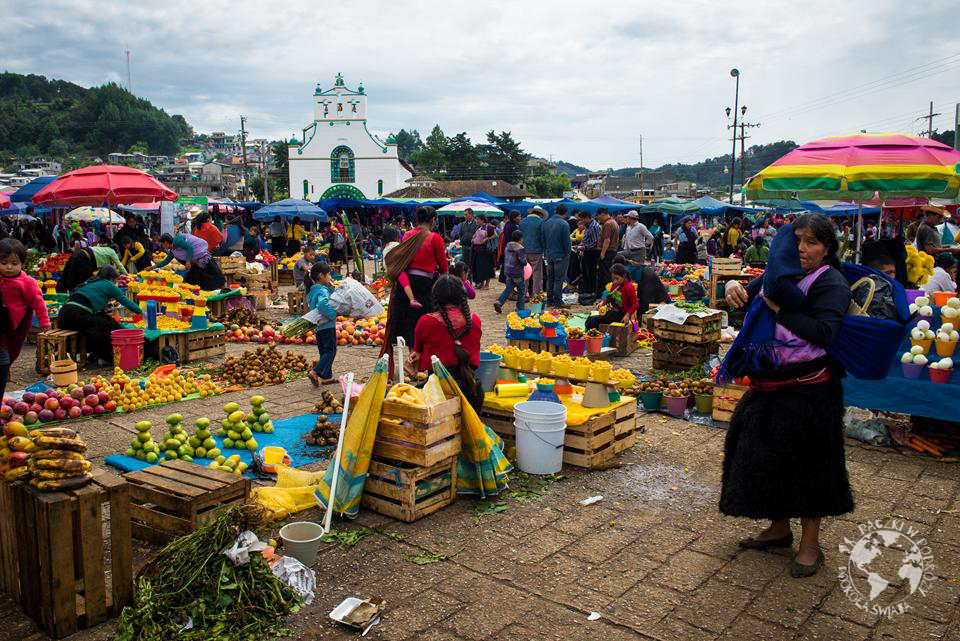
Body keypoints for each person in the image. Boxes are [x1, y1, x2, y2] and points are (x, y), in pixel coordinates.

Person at [721, 213, 853, 578]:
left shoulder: (831, 283)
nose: (803, 249)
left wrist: (782, 309)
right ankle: (779, 528)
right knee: (763, 458)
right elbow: (748, 297)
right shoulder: (780, 273)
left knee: (811, 468)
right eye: (796, 240)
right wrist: (734, 285)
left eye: (812, 242)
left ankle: (810, 546)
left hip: (809, 391)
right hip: (768, 386)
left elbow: (823, 332)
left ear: (827, 248)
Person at [381, 207, 448, 375]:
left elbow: (404, 258)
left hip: (406, 286)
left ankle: (413, 360)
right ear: (433, 221)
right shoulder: (435, 238)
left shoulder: (408, 235)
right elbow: (443, 266)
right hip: (425, 286)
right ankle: (414, 363)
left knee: (410, 323)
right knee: (426, 322)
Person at [410, 275, 484, 413]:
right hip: (473, 392)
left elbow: (417, 352)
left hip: (437, 395)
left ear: (435, 297)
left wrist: (414, 361)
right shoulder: (474, 321)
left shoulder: (426, 322)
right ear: (462, 296)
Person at [58, 266, 141, 364]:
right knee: (108, 327)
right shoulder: (108, 284)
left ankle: (95, 354)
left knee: (100, 322)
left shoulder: (90, 282)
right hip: (76, 315)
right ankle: (107, 357)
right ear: (111, 278)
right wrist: (142, 313)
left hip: (63, 316)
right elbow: (126, 302)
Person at [0, 239, 50, 398]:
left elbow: (38, 303)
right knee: (2, 360)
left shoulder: (27, 282)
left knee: (10, 355)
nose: (9, 267)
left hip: (14, 326)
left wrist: (44, 322)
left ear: (22, 263)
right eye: (4, 262)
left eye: (14, 263)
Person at [153, 233, 226, 290]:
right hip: (196, 263)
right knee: (192, 280)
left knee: (213, 275)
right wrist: (153, 267)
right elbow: (166, 261)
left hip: (203, 259)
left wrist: (188, 262)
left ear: (166, 242)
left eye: (162, 244)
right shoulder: (173, 250)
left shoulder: (177, 240)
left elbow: (190, 248)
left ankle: (220, 289)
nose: (162, 246)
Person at [305, 262, 338, 386]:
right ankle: (315, 372)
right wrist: (333, 314)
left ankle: (326, 377)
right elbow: (323, 304)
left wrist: (331, 287)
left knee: (324, 352)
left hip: (319, 327)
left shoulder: (314, 289)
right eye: (329, 274)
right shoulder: (322, 290)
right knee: (331, 351)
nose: (330, 276)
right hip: (327, 325)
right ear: (321, 275)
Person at [585, 264, 639, 331]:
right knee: (590, 318)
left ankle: (594, 338)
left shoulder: (629, 287)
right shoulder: (615, 284)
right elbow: (609, 297)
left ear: (624, 276)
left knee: (594, 320)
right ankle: (588, 336)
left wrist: (627, 315)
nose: (615, 281)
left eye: (617, 278)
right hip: (613, 311)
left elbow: (636, 304)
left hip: (621, 314)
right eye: (613, 279)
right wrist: (602, 303)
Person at [543, 204, 572, 308]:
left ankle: (549, 301)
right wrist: (568, 252)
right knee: (559, 279)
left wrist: (546, 253)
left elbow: (543, 241)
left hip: (549, 255)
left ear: (556, 211)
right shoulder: (564, 224)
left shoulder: (546, 223)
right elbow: (566, 242)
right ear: (565, 213)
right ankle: (558, 301)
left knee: (550, 279)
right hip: (560, 255)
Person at [495, 230, 527, 314]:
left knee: (508, 288)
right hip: (517, 272)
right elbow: (523, 262)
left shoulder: (508, 246)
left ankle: (499, 302)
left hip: (508, 271)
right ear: (520, 239)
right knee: (521, 290)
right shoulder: (520, 248)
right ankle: (520, 308)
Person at [519, 206, 546, 297]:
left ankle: (523, 293)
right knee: (537, 273)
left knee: (525, 273)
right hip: (536, 250)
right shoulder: (541, 222)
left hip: (523, 250)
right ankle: (536, 295)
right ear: (540, 214)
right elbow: (543, 238)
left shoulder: (522, 222)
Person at [470, 214, 497, 289]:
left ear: (482, 220)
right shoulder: (478, 227)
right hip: (478, 251)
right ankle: (481, 283)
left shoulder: (489, 227)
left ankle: (487, 285)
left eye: (478, 219)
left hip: (486, 251)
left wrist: (487, 239)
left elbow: (495, 235)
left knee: (487, 267)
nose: (476, 221)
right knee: (479, 267)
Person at [578, 211, 601, 298]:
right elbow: (586, 239)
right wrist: (581, 245)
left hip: (593, 252)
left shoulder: (595, 227)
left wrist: (585, 247)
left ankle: (592, 292)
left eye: (583, 219)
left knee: (591, 273)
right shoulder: (587, 226)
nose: (582, 221)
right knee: (585, 272)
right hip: (586, 252)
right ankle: (586, 291)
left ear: (588, 218)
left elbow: (595, 242)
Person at [597, 208, 620, 292]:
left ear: (602, 214)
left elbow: (607, 239)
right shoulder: (614, 222)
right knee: (609, 273)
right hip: (613, 251)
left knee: (605, 274)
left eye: (598, 216)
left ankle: (605, 293)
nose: (598, 218)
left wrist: (602, 253)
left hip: (608, 252)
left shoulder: (608, 224)